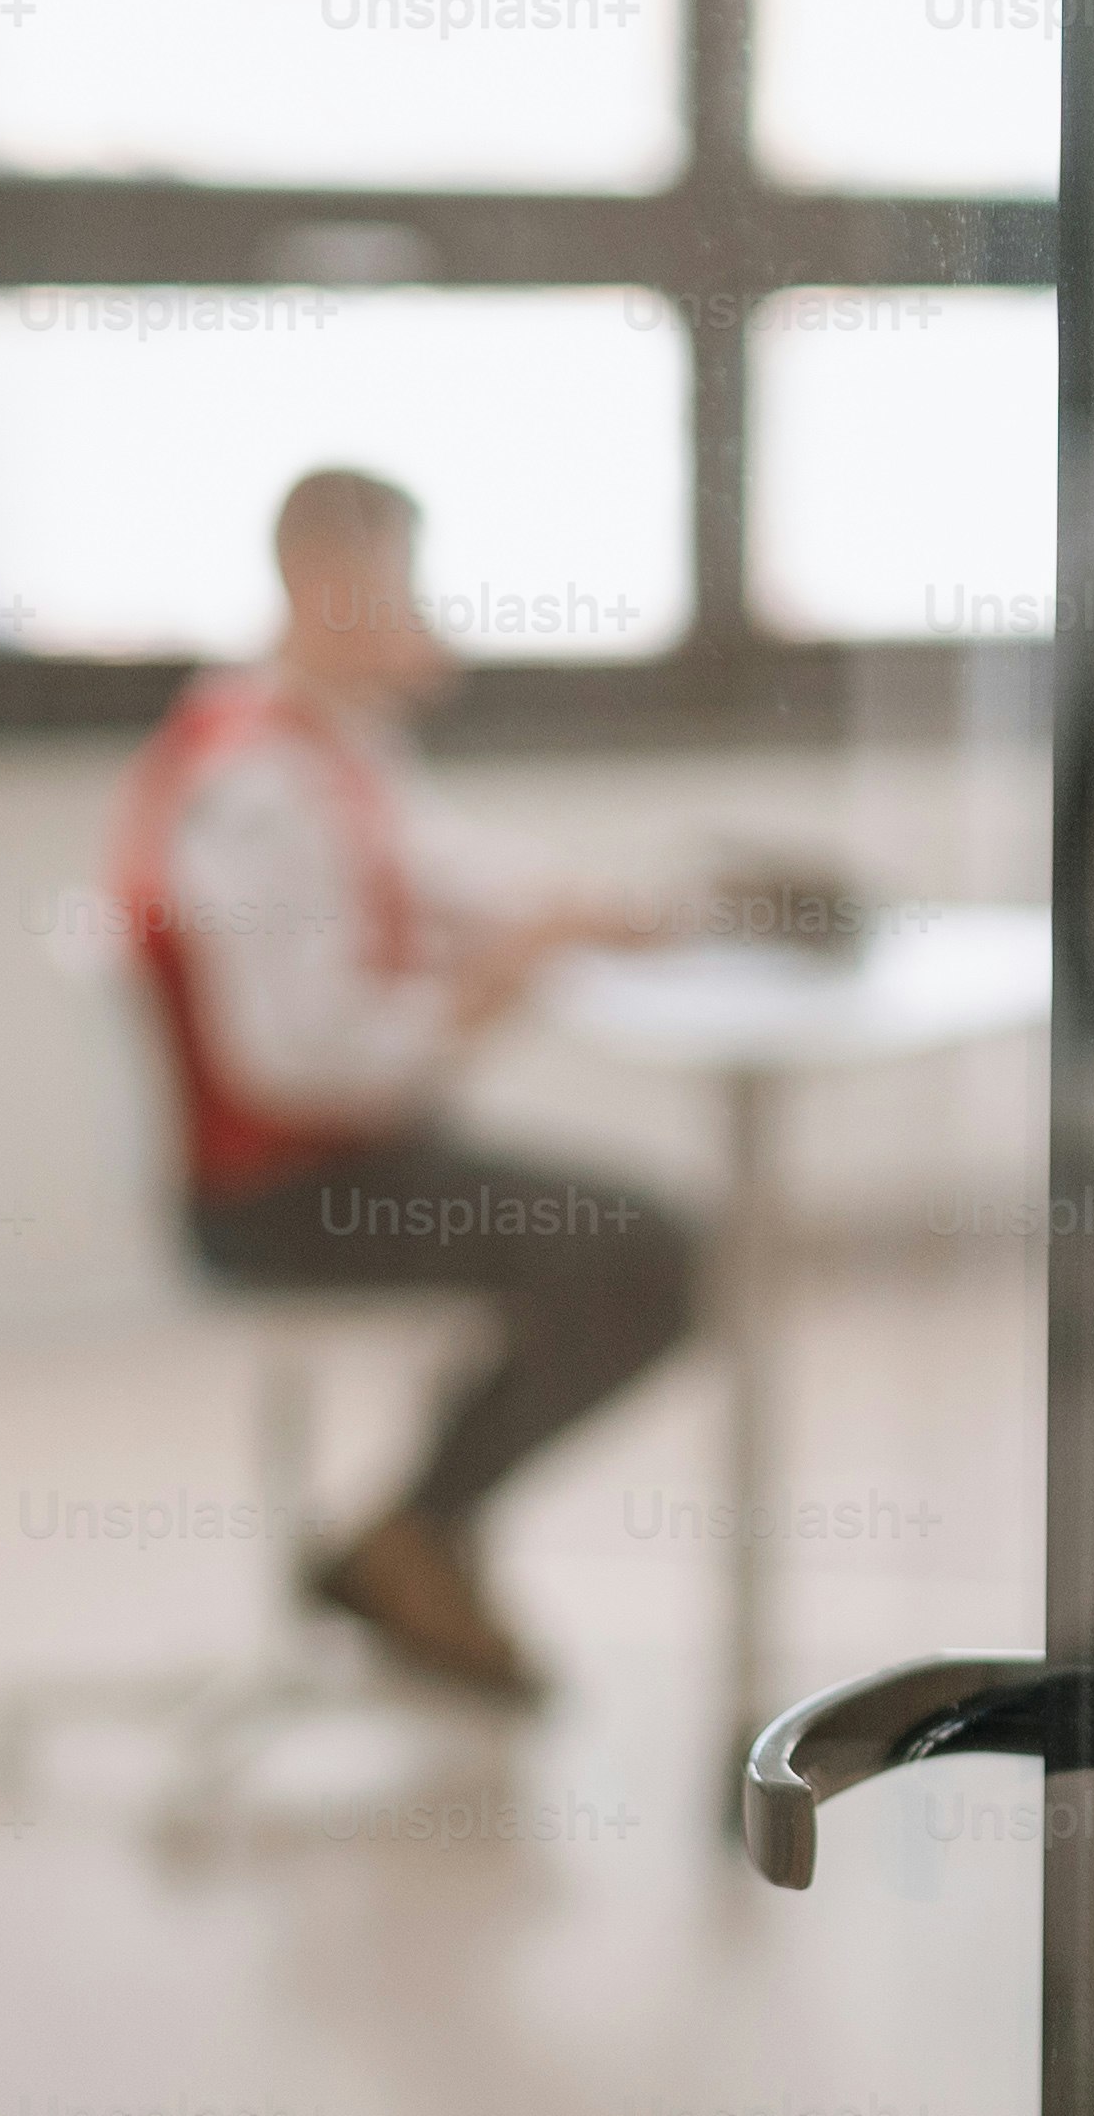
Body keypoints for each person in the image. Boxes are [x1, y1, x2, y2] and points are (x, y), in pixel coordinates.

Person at [111, 468, 694, 1700]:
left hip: (348, 1161)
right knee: (651, 1251)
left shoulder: (326, 746)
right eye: (399, 585)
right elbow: (301, 1061)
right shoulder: (256, 789)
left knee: (624, 1239)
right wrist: (485, 992)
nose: (423, 612)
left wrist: (585, 913)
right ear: (327, 587)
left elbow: (446, 859)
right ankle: (410, 1538)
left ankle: (420, 1540)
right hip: (286, 1197)